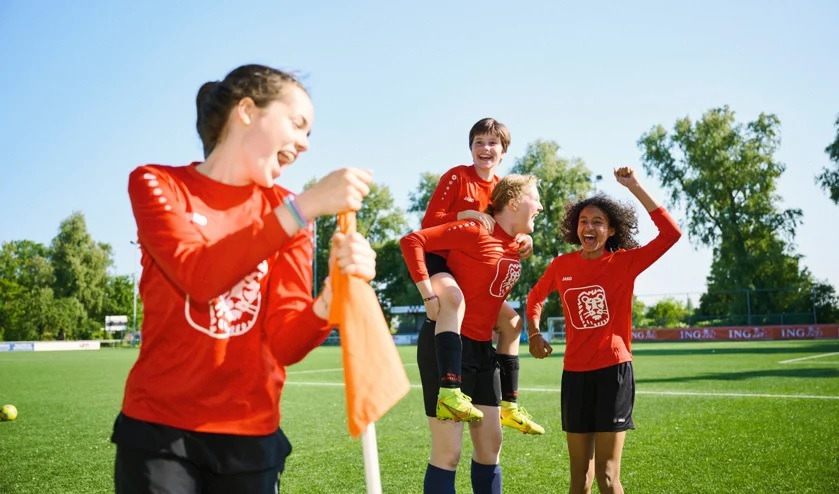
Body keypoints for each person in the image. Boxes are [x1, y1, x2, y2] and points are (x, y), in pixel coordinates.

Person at [110, 64, 376, 494]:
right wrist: (302, 208)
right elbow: (197, 275)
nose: (306, 144)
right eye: (298, 124)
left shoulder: (292, 213)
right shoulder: (158, 183)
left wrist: (331, 299)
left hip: (251, 437)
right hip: (159, 431)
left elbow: (286, 342)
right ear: (247, 110)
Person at [526, 166, 682, 494]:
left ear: (611, 231)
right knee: (579, 480)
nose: (589, 227)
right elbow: (535, 298)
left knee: (607, 478)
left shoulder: (624, 263)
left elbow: (671, 234)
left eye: (598, 222)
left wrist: (635, 186)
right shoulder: (561, 266)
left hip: (613, 372)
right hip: (575, 375)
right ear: (575, 227)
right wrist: (535, 332)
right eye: (584, 221)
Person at [401, 174, 544, 494]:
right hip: (448, 347)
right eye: (536, 199)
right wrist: (428, 294)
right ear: (513, 202)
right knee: (448, 454)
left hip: (483, 351)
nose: (541, 206)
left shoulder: (515, 243)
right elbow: (413, 241)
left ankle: (511, 405)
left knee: (491, 448)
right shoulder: (475, 229)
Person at [420, 117, 544, 435]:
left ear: (503, 151)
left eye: (492, 143)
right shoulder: (457, 177)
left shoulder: (503, 188)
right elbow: (428, 224)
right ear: (470, 148)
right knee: (452, 299)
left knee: (513, 323)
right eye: (478, 142)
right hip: (442, 263)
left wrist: (524, 240)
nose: (484, 148)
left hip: (473, 271)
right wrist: (465, 213)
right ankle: (449, 390)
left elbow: (502, 232)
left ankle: (509, 405)